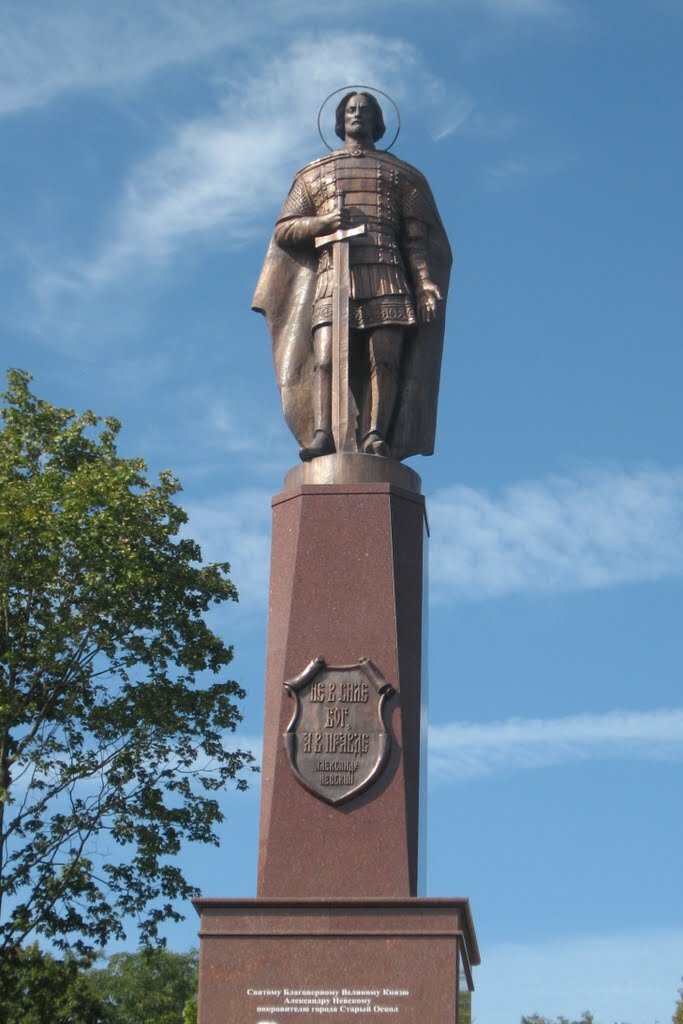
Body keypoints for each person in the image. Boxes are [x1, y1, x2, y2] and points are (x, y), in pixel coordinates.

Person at [253, 91, 451, 462]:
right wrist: (322, 223)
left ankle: (376, 435)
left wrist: (424, 283)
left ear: (378, 121)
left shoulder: (402, 176)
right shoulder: (315, 174)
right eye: (350, 109)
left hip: (387, 273)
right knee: (326, 358)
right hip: (333, 276)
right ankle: (323, 433)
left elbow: (417, 239)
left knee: (385, 359)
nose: (357, 114)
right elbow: (285, 230)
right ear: (340, 120)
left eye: (365, 110)